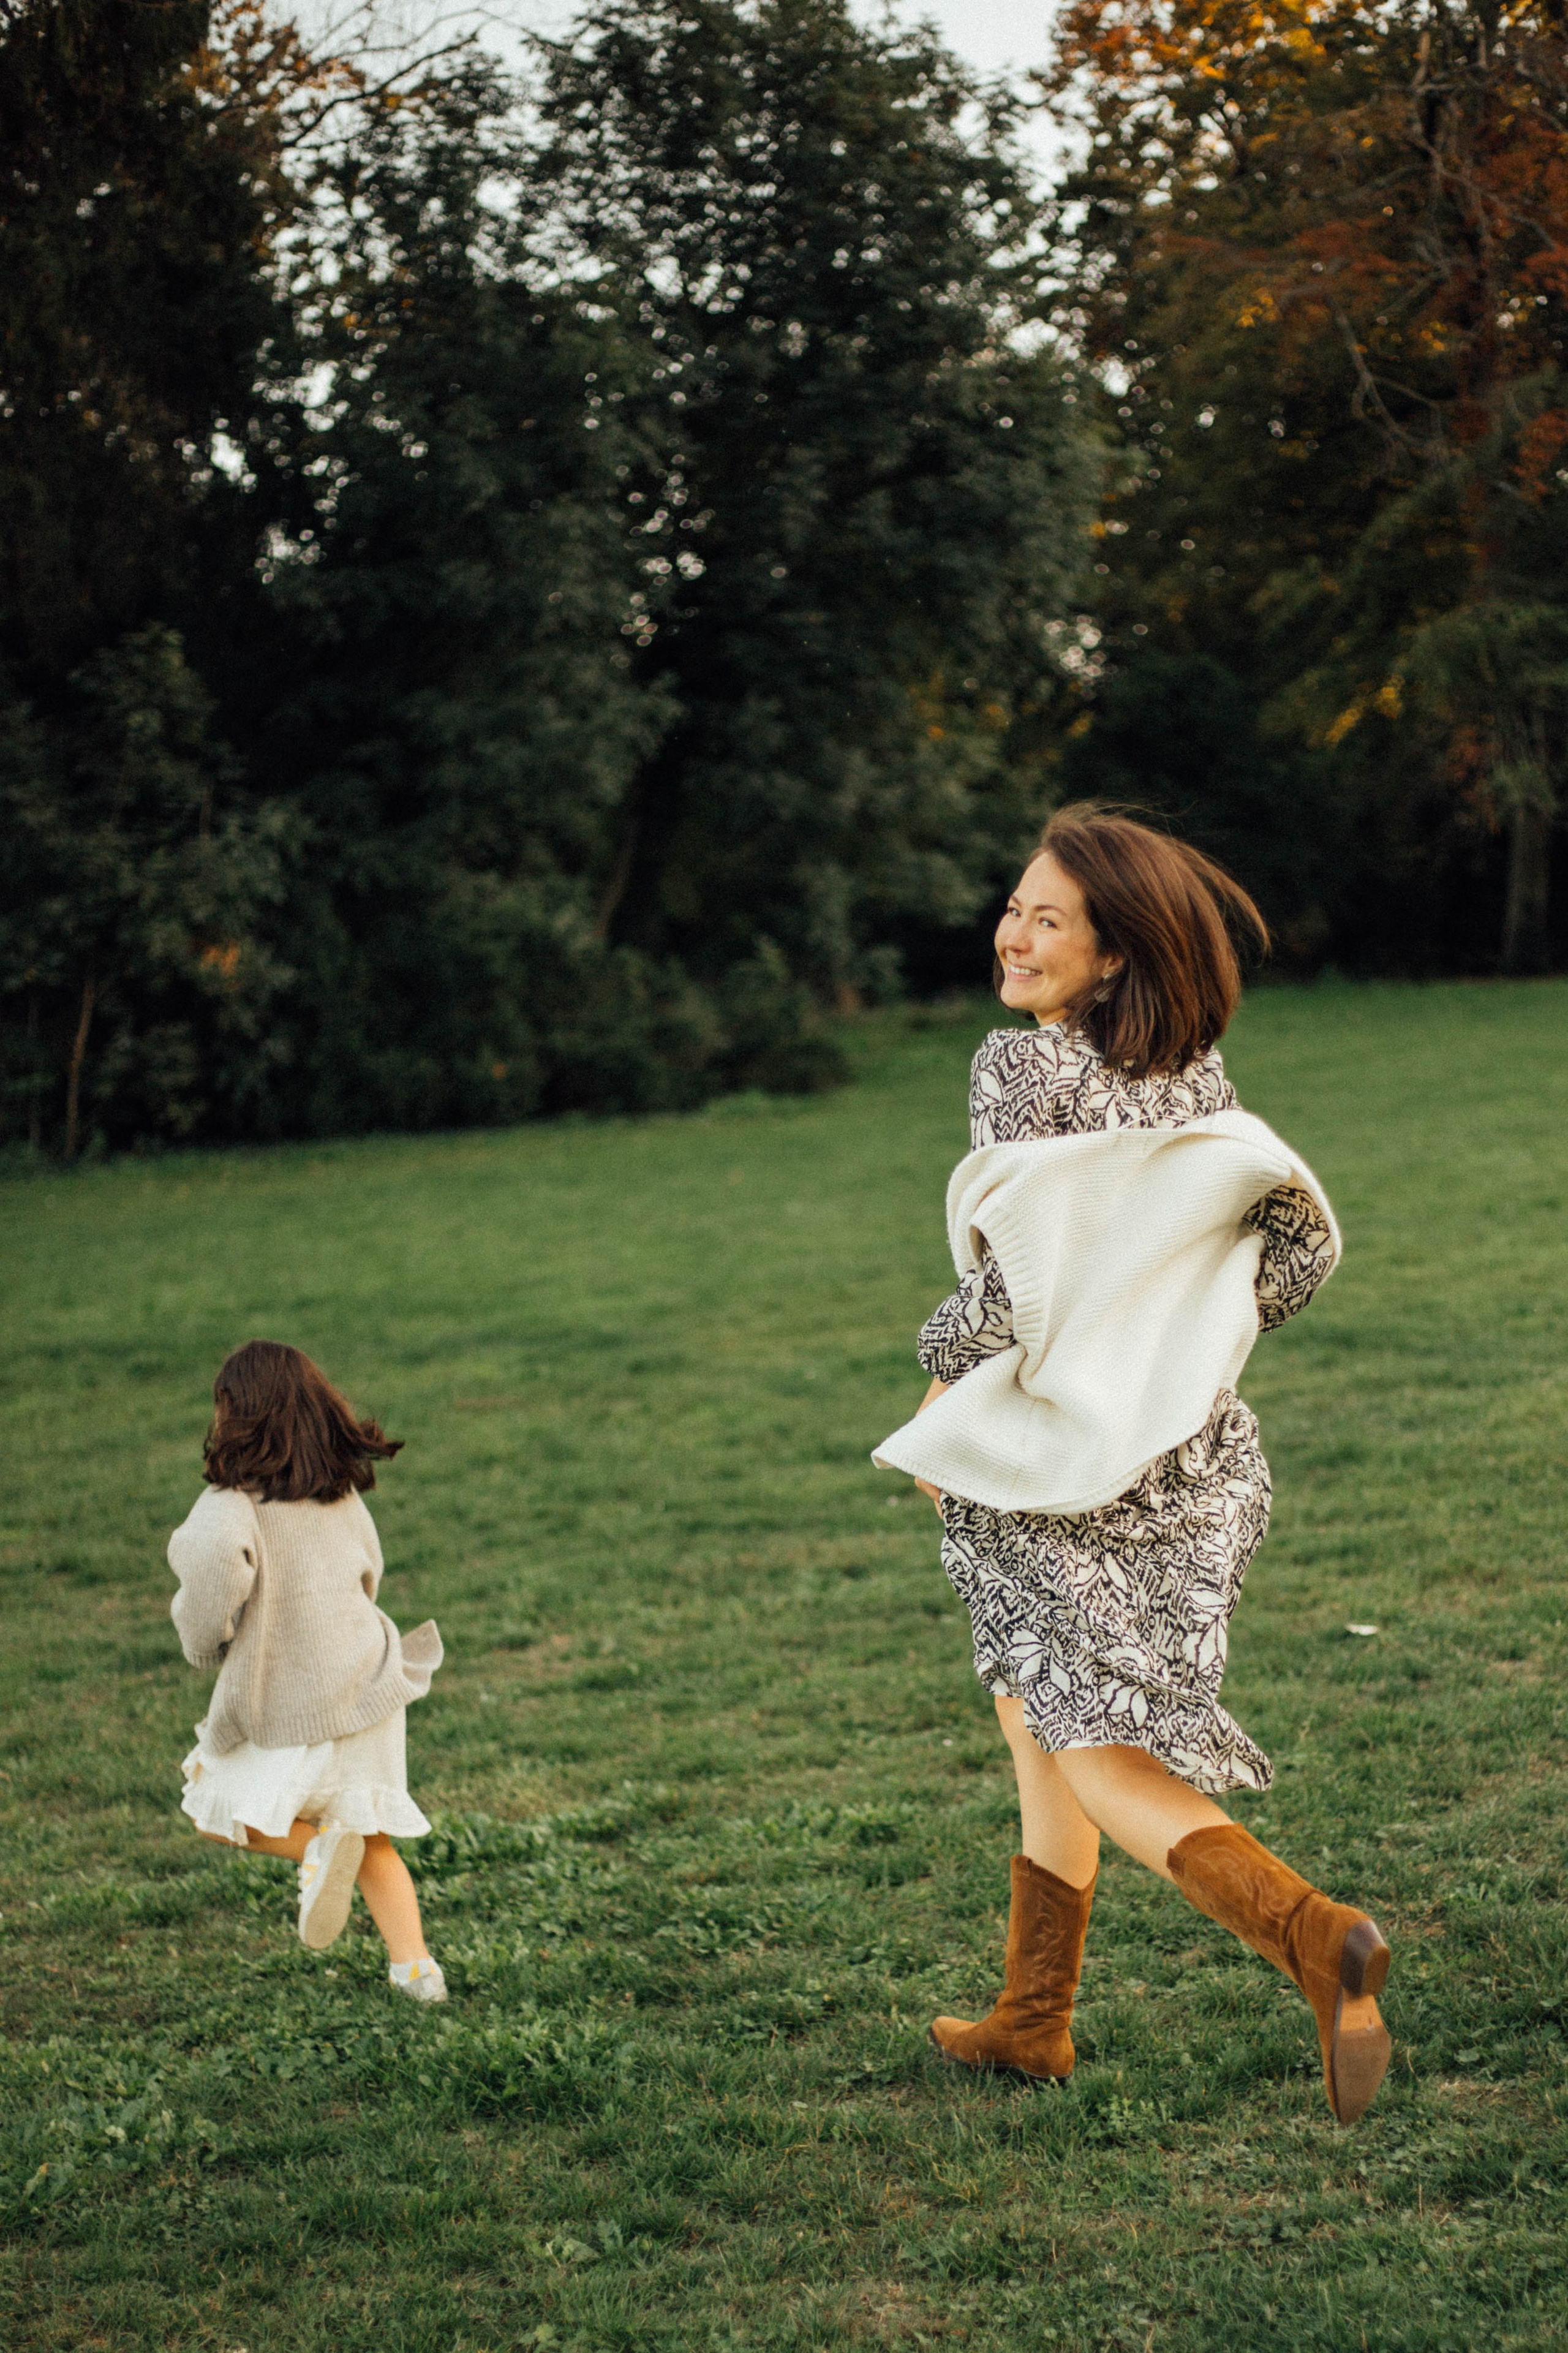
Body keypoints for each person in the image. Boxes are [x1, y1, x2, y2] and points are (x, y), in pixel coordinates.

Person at [876, 805, 1391, 2125]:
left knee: (1095, 1742)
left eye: (1049, 918)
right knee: (1037, 1710)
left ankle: (1308, 1935)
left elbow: (1013, 1276)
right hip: (1183, 1456)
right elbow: (1295, 1252)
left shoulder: (1020, 1068)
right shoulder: (1202, 1087)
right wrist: (1179, 1344)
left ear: (1112, 956)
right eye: (1013, 904)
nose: (1013, 931)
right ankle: (1031, 2019)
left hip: (1047, 1458)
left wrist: (933, 1357)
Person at [168, 1340, 448, 2002]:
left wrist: (206, 1644)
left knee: (213, 1807)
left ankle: (316, 1852)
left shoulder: (228, 1508)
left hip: (291, 1697)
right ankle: (418, 1974)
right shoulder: (337, 1493)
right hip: (369, 1684)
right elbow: (368, 1573)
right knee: (369, 1834)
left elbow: (210, 1592)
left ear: (233, 1415)